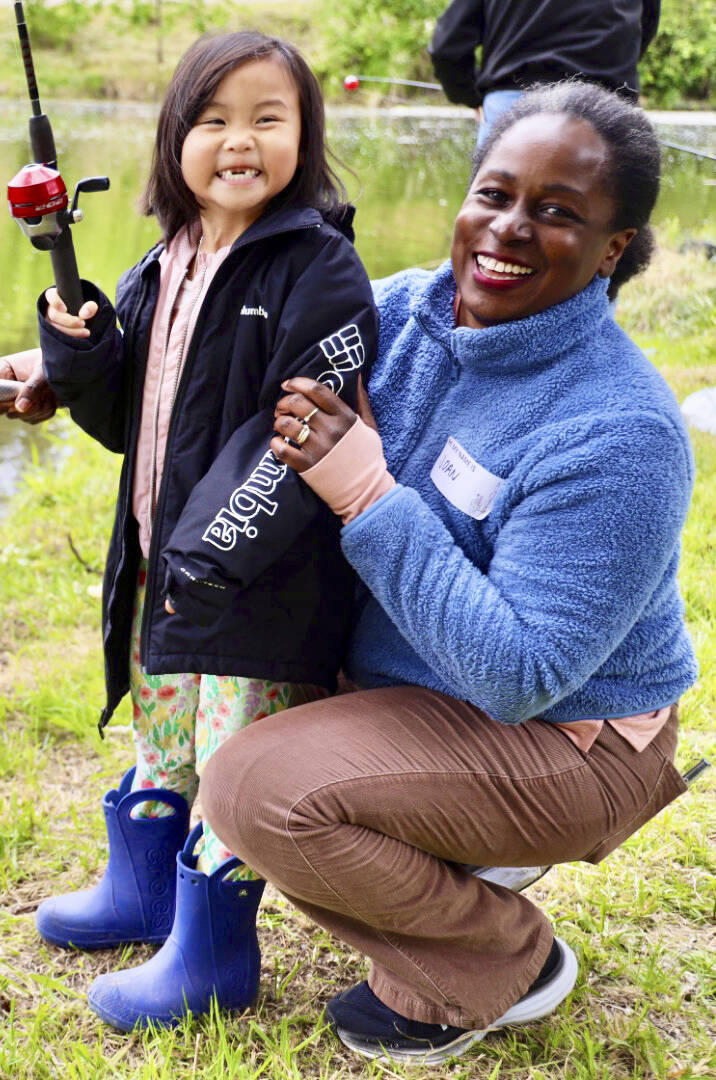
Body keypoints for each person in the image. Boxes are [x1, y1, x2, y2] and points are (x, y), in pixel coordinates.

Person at [201, 81, 694, 1065]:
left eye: (558, 213)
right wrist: (75, 366)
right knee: (236, 710)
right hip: (415, 689)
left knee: (259, 790)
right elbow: (226, 367)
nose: (509, 228)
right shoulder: (400, 310)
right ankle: (447, 871)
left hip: (570, 737)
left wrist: (369, 495)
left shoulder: (621, 428)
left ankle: (508, 959)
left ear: (615, 251)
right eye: (495, 194)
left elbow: (521, 672)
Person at [0, 30, 377, 1030]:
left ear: (306, 138)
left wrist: (210, 561)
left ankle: (212, 955)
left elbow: (296, 439)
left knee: (232, 761)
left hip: (257, 579)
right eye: (212, 120)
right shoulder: (163, 263)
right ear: (173, 141)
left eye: (267, 119)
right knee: (166, 736)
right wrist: (73, 350)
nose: (237, 141)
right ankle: (145, 891)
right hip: (167, 564)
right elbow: (123, 418)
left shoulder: (320, 271)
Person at [428, 0, 660, 144]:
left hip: (511, 102)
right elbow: (645, 27)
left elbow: (447, 47)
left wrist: (471, 96)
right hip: (609, 106)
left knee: (497, 217)